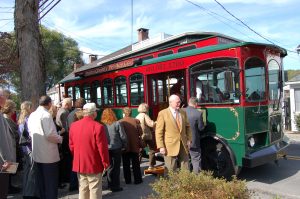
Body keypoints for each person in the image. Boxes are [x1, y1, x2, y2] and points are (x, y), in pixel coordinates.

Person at [69, 103, 110, 199]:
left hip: (79, 162)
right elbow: (102, 148)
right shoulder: (98, 127)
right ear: (94, 113)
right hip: (93, 163)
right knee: (94, 188)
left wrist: (77, 157)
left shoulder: (74, 126)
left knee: (83, 188)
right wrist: (105, 163)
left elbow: (71, 146)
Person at [28, 95, 63, 199]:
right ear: (49, 104)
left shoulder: (32, 115)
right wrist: (60, 138)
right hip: (48, 155)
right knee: (50, 183)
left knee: (41, 183)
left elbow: (31, 133)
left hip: (37, 153)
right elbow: (50, 135)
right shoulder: (46, 115)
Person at [155, 94, 192, 173]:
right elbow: (159, 132)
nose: (179, 104)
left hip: (183, 143)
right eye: (177, 102)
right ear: (170, 103)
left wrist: (189, 140)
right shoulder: (163, 113)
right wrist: (161, 146)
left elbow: (188, 127)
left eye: (180, 102)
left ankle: (186, 184)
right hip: (169, 145)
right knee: (171, 169)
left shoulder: (183, 112)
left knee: (186, 167)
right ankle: (172, 185)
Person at [101, 108, 127, 192]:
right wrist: (124, 145)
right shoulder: (117, 123)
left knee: (109, 167)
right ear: (113, 114)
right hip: (117, 147)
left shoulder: (102, 125)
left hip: (106, 148)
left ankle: (109, 184)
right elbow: (123, 136)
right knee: (116, 167)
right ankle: (115, 186)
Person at [18, 101, 40, 198]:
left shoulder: (20, 120)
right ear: (29, 108)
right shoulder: (28, 120)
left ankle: (26, 192)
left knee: (27, 172)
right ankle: (29, 194)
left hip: (24, 149)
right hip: (30, 148)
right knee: (32, 171)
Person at [1, 99, 22, 194]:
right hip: (8, 148)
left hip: (11, 147)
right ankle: (9, 188)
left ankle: (10, 186)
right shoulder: (4, 118)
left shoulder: (8, 118)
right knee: (7, 173)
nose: (14, 110)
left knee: (9, 173)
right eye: (13, 107)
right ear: (9, 108)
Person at [119, 107, 143, 185]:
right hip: (135, 144)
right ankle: (138, 179)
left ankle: (128, 180)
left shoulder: (120, 122)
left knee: (126, 164)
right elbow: (140, 132)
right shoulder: (136, 121)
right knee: (135, 163)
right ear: (131, 113)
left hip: (125, 145)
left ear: (123, 113)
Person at [66, 97, 85, 191]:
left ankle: (73, 184)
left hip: (72, 141)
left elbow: (67, 128)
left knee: (74, 163)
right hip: (80, 141)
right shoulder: (82, 114)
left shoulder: (69, 114)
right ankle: (79, 184)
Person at [0, 88, 16, 199]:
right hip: (2, 163)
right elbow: (2, 140)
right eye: (4, 96)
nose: (6, 99)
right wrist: (7, 160)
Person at [185, 97, 205, 173]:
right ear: (196, 104)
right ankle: (196, 177)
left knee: (184, 159)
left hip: (183, 140)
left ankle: (185, 176)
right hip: (193, 140)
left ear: (188, 103)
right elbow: (201, 128)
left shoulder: (181, 111)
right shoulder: (198, 113)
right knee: (196, 158)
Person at [56, 98, 72, 185]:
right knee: (66, 157)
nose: (71, 106)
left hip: (61, 135)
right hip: (64, 135)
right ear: (66, 104)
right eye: (70, 104)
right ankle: (66, 177)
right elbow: (66, 126)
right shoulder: (65, 112)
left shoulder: (59, 111)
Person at [135, 103, 156, 170]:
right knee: (152, 149)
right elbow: (151, 124)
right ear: (145, 108)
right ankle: (151, 165)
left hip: (141, 136)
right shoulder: (145, 116)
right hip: (147, 135)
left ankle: (136, 165)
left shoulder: (137, 116)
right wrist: (156, 122)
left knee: (140, 151)